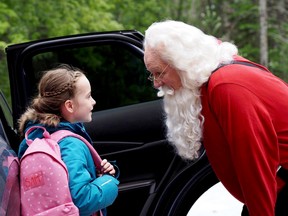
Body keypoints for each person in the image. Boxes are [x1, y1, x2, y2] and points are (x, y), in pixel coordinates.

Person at [143, 20, 288, 216]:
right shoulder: (213, 80)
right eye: (152, 75)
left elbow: (254, 162)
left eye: (159, 73)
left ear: (181, 63)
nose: (157, 84)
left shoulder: (226, 85)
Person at [17, 64, 119, 216]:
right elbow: (82, 200)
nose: (93, 101)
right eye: (88, 96)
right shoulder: (70, 144)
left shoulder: (32, 138)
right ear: (70, 106)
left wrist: (100, 172)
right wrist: (109, 181)